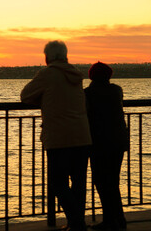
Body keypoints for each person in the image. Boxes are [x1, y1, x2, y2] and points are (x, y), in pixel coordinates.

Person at [21, 40, 92, 231]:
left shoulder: (47, 74)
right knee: (78, 182)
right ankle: (77, 222)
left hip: (59, 136)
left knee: (57, 181)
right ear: (65, 55)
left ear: (47, 57)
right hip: (82, 135)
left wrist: (43, 100)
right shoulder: (75, 74)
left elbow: (25, 95)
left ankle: (76, 223)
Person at [85, 62, 128, 231]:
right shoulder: (116, 90)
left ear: (91, 76)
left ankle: (112, 221)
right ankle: (118, 219)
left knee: (102, 182)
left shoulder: (88, 93)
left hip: (99, 143)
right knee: (112, 182)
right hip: (118, 141)